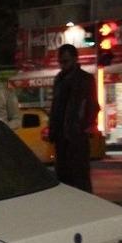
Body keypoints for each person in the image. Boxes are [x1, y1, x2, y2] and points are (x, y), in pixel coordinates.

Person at [48, 44, 99, 193]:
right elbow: (56, 107)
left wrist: (82, 126)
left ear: (75, 59)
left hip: (76, 136)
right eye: (61, 62)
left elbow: (92, 106)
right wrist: (53, 131)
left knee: (80, 177)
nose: (63, 65)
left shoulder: (85, 79)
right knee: (64, 178)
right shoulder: (60, 79)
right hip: (62, 137)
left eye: (66, 61)